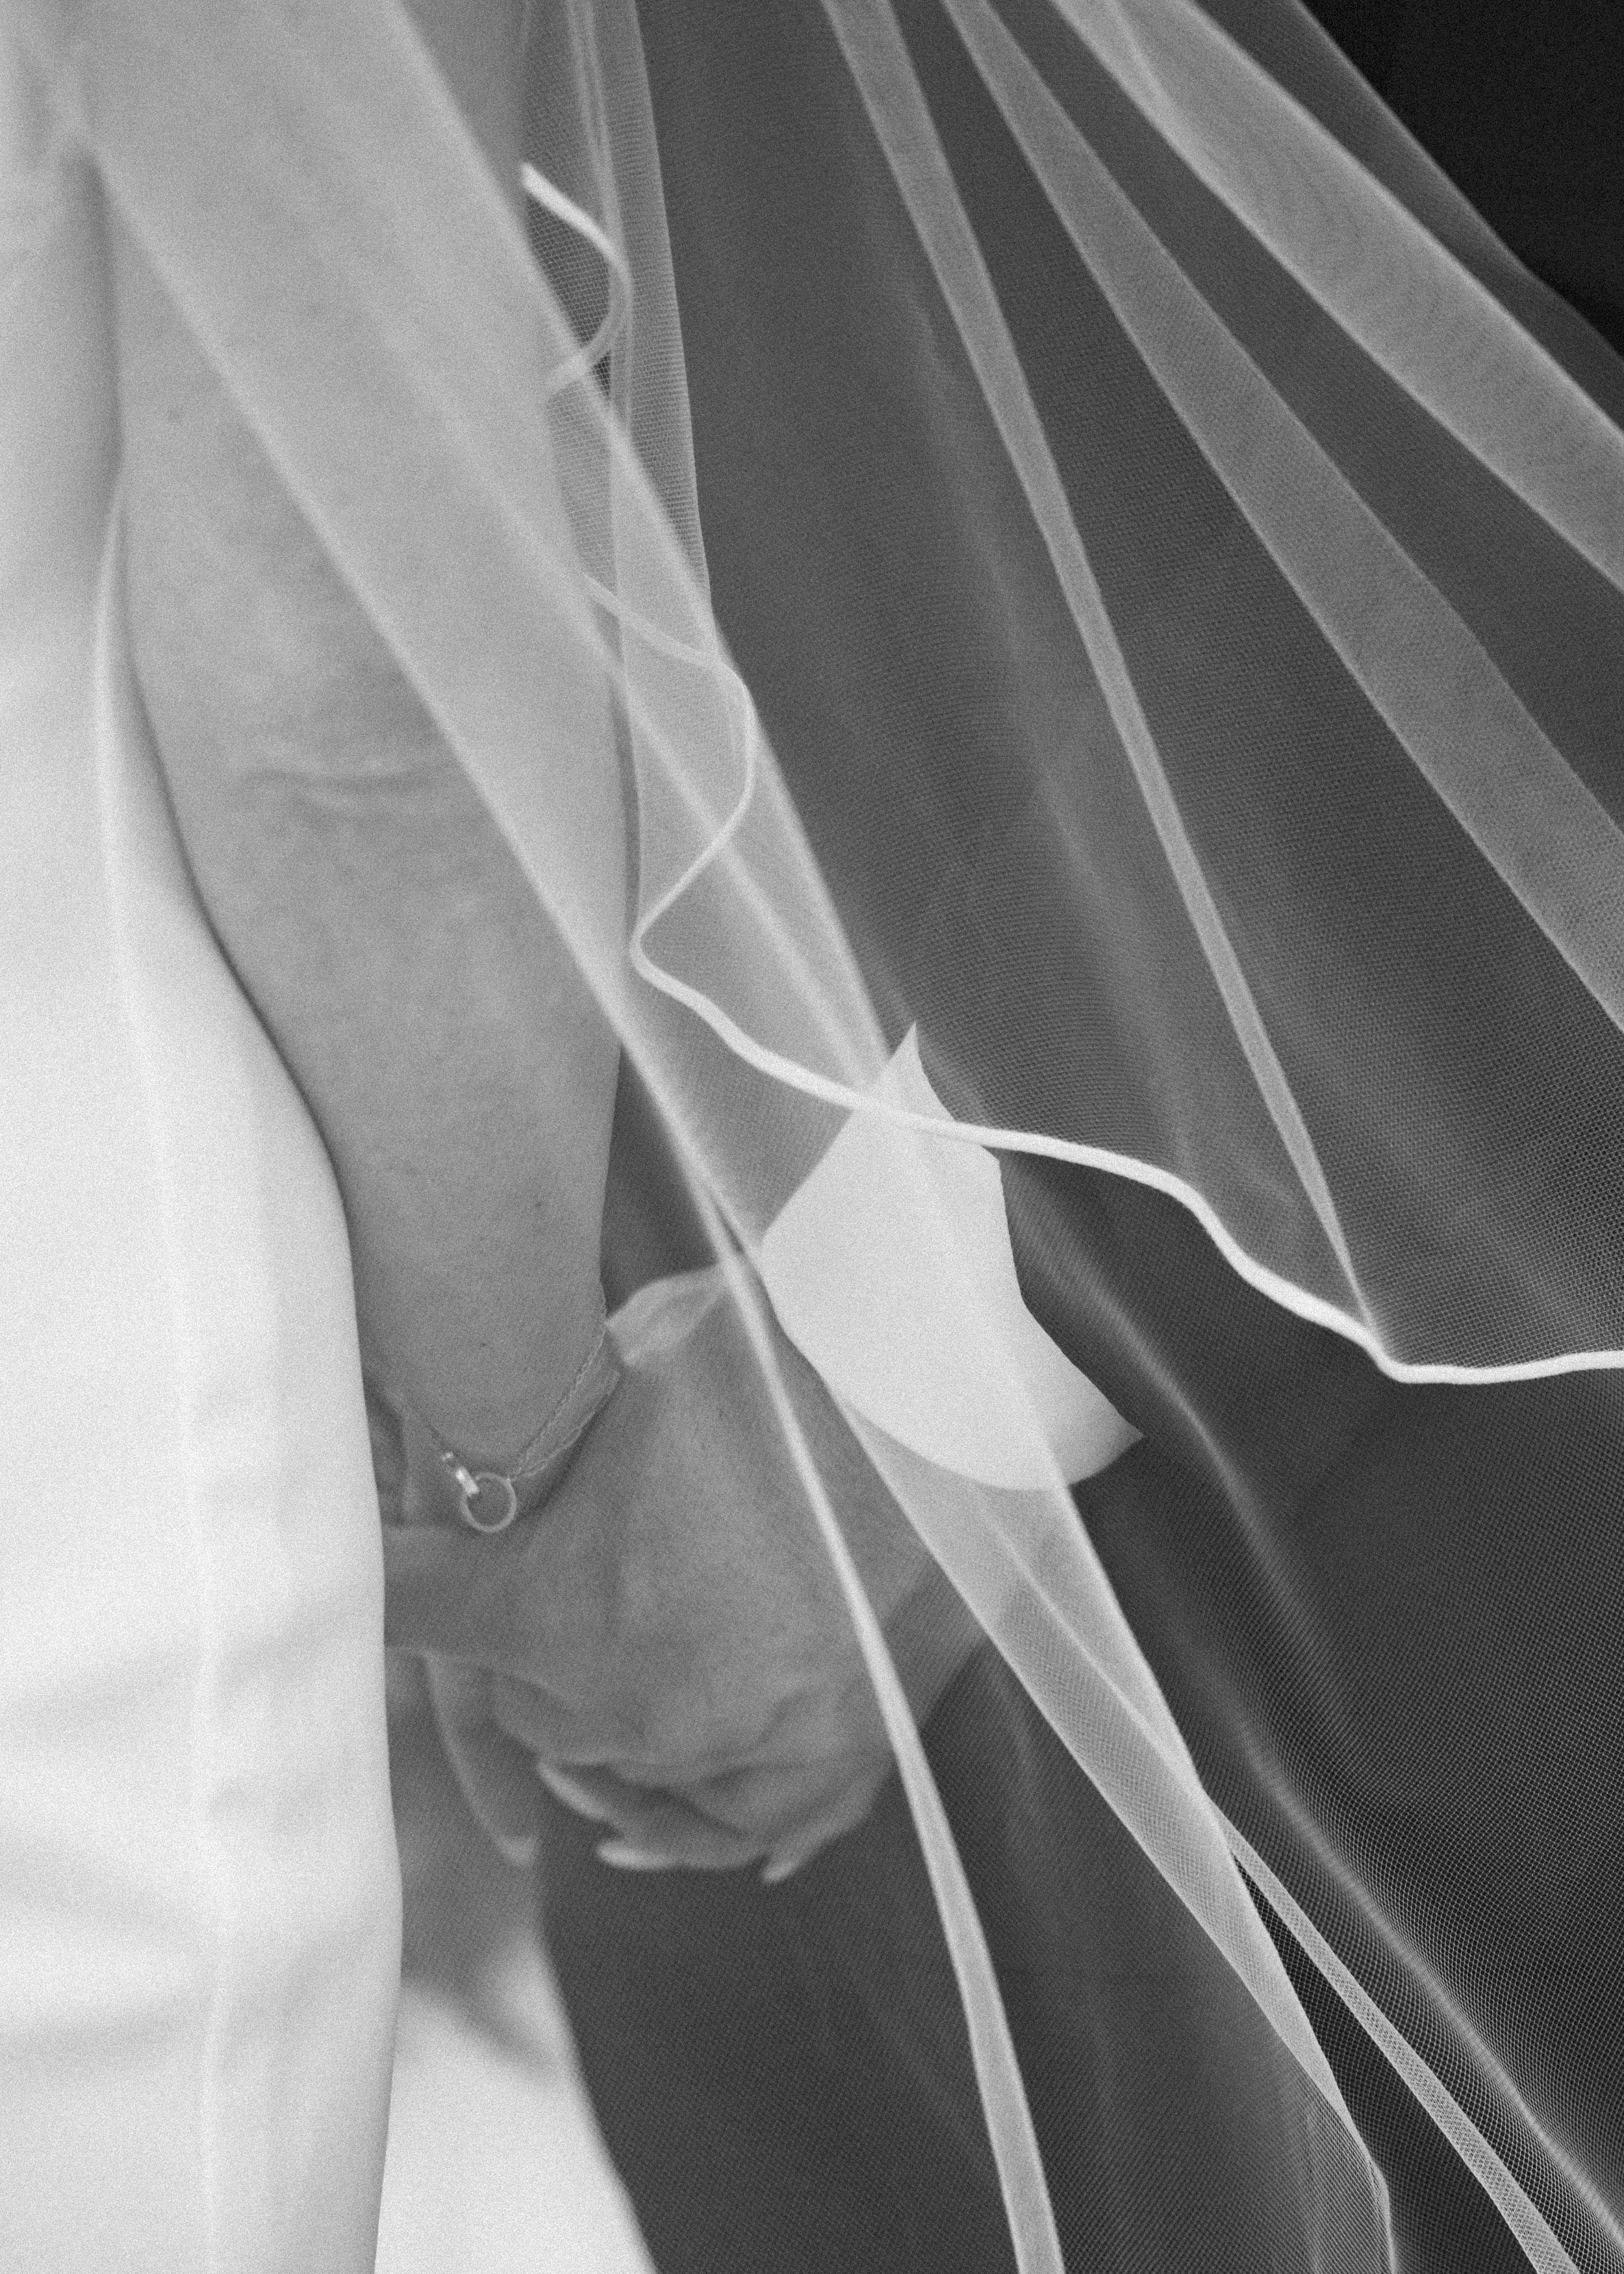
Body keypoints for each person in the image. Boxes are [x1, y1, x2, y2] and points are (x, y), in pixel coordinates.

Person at [6, 2, 1623, 2270]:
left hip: (1382, 1445)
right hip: (719, 1562)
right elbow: (339, 697)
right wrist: (523, 1473)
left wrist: (872, 1381)